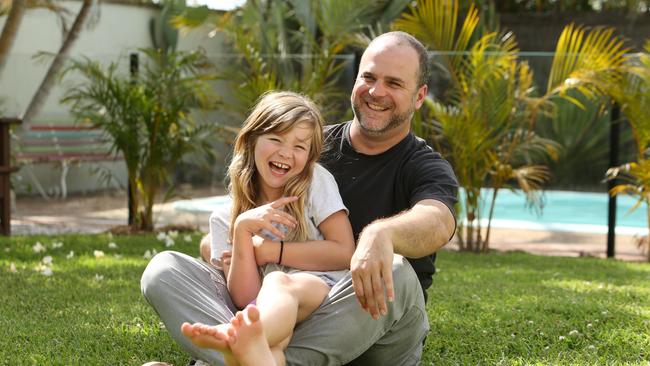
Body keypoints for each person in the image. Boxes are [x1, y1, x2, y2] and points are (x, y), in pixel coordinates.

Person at [141, 31, 458, 365]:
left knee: (394, 269)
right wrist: (230, 244)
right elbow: (237, 226)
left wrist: (383, 234)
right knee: (164, 269)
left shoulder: (422, 164)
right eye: (368, 77)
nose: (376, 91)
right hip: (279, 309)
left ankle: (231, 358)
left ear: (420, 95)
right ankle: (255, 357)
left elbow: (437, 221)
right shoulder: (307, 144)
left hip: (365, 321)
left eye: (394, 83)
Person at [179, 90, 355, 365]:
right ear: (251, 140)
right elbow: (245, 297)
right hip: (269, 313)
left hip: (322, 295)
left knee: (278, 281)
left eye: (299, 146)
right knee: (270, 354)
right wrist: (241, 231)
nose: (286, 153)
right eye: (275, 139)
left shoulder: (314, 183)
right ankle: (250, 345)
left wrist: (271, 251)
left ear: (310, 156)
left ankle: (238, 338)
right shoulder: (226, 217)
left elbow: (345, 252)